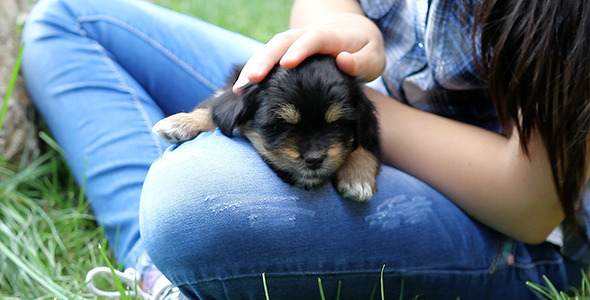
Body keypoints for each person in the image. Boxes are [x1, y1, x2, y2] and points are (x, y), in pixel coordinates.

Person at [21, 0, 589, 299]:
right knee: (70, 19)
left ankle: (169, 256)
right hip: (341, 98)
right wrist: (344, 35)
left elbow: (532, 202)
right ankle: (158, 276)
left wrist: (356, 114)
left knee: (186, 205)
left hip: (500, 218)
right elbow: (320, 6)